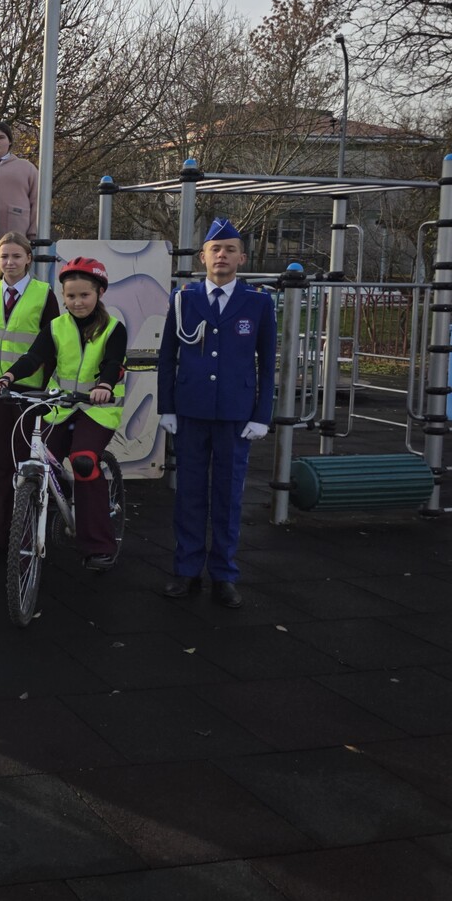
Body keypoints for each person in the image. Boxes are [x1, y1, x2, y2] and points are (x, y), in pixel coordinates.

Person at [157, 217, 276, 608]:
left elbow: (267, 363)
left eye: (229, 249)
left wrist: (261, 414)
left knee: (228, 496)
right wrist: (167, 406)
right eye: (215, 249)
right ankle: (187, 569)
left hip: (235, 415)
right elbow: (167, 357)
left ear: (242, 258)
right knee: (189, 494)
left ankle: (224, 573)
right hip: (191, 411)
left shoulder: (258, 303)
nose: (221, 255)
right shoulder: (183, 299)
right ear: (202, 257)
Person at [0, 257, 127, 571]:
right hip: (60, 407)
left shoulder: (113, 328)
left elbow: (114, 363)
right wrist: (6, 378)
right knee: (38, 461)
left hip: (97, 409)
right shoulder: (56, 327)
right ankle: (32, 529)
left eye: (84, 295)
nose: (77, 302)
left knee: (84, 461)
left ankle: (99, 546)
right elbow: (34, 357)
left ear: (100, 293)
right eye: (71, 296)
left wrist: (105, 384)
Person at [0, 233, 59, 557]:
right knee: (1, 464)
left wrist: (47, 391)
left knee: (27, 464)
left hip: (30, 391)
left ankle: (27, 535)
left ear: (28, 259)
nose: (10, 262)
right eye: (4, 256)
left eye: (16, 256)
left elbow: (54, 346)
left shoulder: (44, 294)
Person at [0, 121, 39, 242]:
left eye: (1, 137)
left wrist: (33, 233)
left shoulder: (27, 168)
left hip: (16, 239)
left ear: (9, 141)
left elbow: (37, 202)